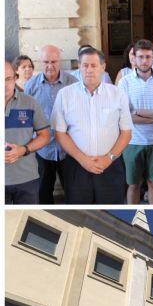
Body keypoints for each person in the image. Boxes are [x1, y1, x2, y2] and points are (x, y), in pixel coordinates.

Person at [52, 47, 132, 204]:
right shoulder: (65, 95)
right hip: (77, 166)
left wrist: (108, 159)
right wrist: (83, 160)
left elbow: (126, 132)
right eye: (85, 65)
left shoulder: (118, 94)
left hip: (110, 166)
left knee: (112, 211)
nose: (89, 70)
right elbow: (59, 133)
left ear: (103, 67)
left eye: (94, 65)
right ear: (79, 67)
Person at [24, 45, 78, 204]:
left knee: (73, 191)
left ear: (59, 61)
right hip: (43, 149)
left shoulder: (72, 83)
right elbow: (27, 118)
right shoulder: (31, 86)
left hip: (68, 148)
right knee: (43, 191)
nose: (50, 65)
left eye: (53, 61)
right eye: (46, 61)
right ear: (40, 62)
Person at [118, 39, 153, 205]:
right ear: (134, 58)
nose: (144, 61)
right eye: (140, 57)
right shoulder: (125, 82)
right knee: (133, 185)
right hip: (133, 141)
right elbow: (124, 116)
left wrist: (139, 112)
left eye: (148, 56)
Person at [5, 60, 51, 204]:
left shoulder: (30, 102)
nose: (5, 85)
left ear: (15, 78)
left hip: (27, 179)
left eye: (8, 79)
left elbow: (44, 136)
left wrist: (23, 150)